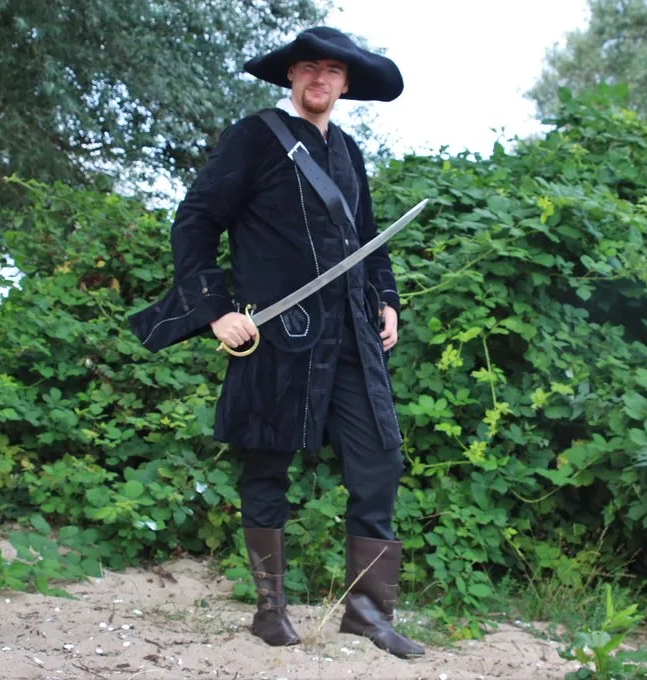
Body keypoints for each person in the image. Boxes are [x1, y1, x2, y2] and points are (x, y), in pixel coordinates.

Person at [129, 26, 423, 658]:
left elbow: (368, 240)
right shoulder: (254, 138)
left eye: (332, 70)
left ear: (346, 83)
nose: (320, 78)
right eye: (309, 67)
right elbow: (196, 222)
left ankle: (368, 614)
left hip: (353, 337)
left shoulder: (348, 151)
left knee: (379, 460)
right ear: (291, 75)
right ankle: (270, 612)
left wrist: (388, 299)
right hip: (278, 335)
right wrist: (215, 311)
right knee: (265, 464)